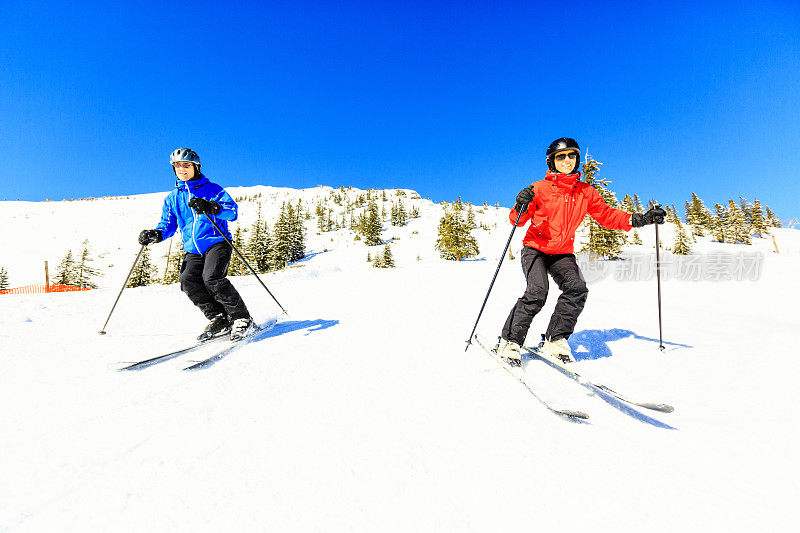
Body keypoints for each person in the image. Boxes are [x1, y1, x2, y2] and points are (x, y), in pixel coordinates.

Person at [498, 137, 665, 364]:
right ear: (552, 161)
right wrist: (522, 204)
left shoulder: (585, 192)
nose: (567, 160)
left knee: (576, 289)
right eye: (561, 156)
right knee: (537, 292)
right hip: (535, 249)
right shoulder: (539, 188)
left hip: (562, 252)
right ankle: (510, 341)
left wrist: (640, 219)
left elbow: (606, 215)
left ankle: (555, 339)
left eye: (571, 155)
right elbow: (516, 221)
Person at [138, 148, 255, 341]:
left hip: (217, 242)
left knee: (212, 278)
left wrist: (212, 207)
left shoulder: (213, 189)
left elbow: (231, 211)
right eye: (177, 166)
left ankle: (241, 318)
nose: (181, 169)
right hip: (193, 249)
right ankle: (219, 317)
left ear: (196, 167)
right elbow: (168, 225)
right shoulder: (173, 198)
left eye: (186, 165)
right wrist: (156, 234)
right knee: (188, 281)